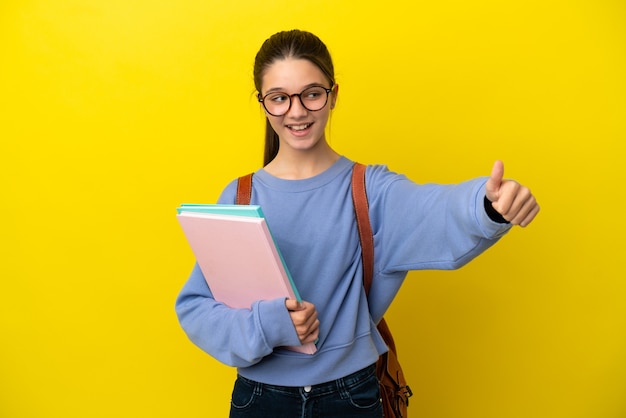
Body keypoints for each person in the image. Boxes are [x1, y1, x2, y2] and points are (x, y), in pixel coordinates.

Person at [175, 29, 540, 418]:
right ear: (263, 104)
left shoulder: (369, 189)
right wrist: (270, 326)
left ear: (332, 95)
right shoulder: (240, 195)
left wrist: (488, 203)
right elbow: (198, 308)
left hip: (350, 398)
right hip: (260, 399)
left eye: (311, 94)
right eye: (280, 98)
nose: (297, 112)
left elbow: (434, 209)